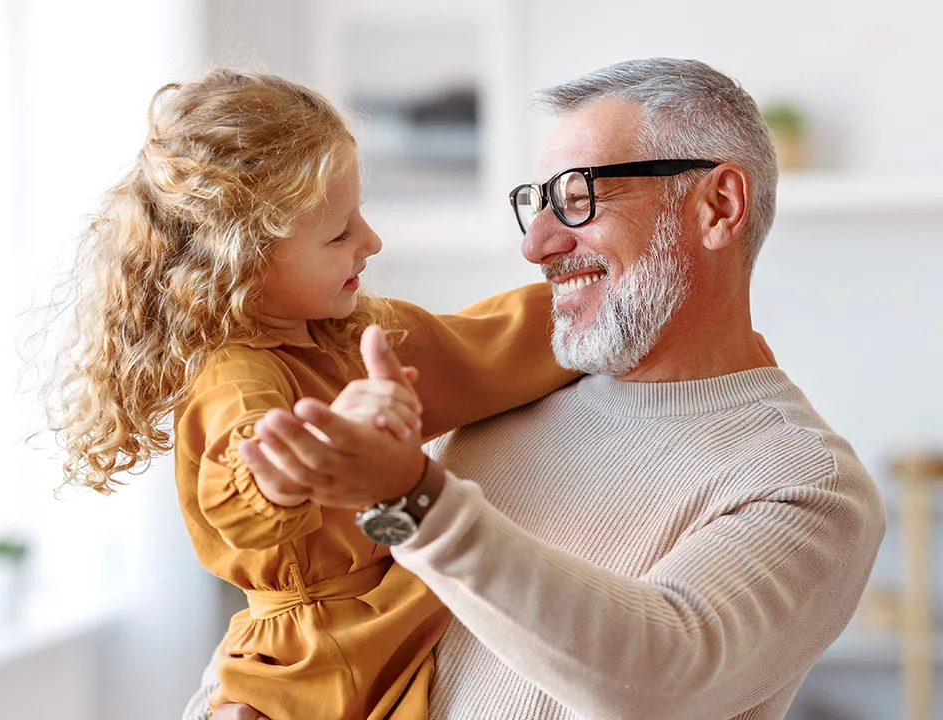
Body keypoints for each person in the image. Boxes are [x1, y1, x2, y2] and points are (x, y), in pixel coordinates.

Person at [196, 58, 886, 720]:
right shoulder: (512, 398)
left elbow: (657, 678)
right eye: (537, 203)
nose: (537, 244)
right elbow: (340, 606)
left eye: (579, 198)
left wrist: (411, 496)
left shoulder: (807, 484)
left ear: (718, 205)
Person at [43, 68, 579, 720]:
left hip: (381, 619)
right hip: (316, 667)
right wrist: (312, 451)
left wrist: (600, 307)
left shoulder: (351, 335)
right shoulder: (236, 375)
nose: (372, 241)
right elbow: (243, 482)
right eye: (339, 233)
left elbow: (481, 345)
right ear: (243, 259)